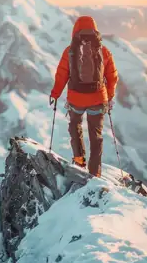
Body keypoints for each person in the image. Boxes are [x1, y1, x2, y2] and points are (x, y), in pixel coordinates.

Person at [49, 15, 119, 178]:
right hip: (97, 99)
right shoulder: (103, 51)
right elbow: (112, 76)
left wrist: (55, 94)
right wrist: (108, 96)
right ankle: (95, 171)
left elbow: (62, 75)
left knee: (75, 126)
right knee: (96, 135)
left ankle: (79, 161)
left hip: (76, 99)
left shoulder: (70, 51)